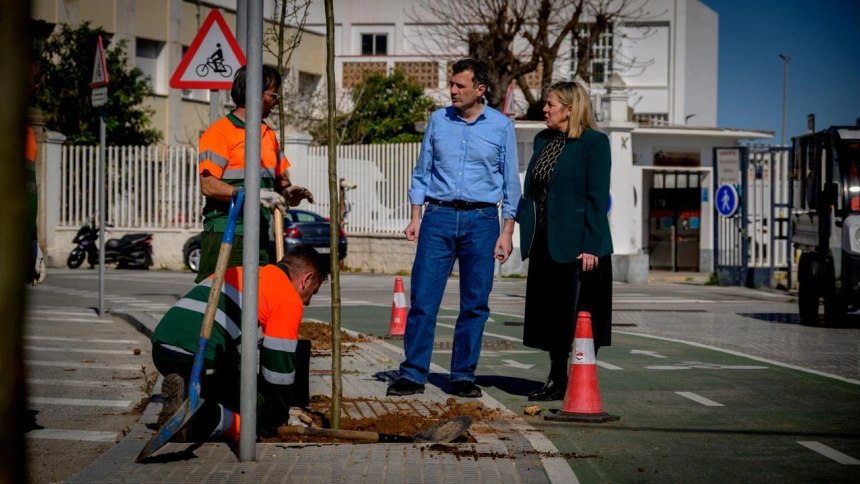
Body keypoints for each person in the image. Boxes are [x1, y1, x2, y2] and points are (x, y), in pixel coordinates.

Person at [386, 58, 522, 399]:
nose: (452, 91)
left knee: (475, 303)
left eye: (460, 85)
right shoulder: (438, 121)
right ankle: (413, 373)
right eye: (451, 84)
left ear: (481, 89)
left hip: (483, 221)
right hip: (438, 217)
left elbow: (510, 182)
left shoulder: (501, 126)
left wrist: (507, 231)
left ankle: (462, 375)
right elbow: (422, 172)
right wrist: (416, 216)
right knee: (423, 300)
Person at [150, 245, 329, 440]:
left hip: (162, 350)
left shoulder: (241, 272)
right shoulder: (287, 297)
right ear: (307, 279)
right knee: (260, 417)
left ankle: (185, 399)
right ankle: (195, 422)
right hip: (202, 358)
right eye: (314, 292)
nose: (308, 302)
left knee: (233, 384)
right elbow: (277, 370)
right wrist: (278, 416)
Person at [518, 81, 613, 401]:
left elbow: (596, 198)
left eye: (551, 104)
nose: (544, 109)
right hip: (545, 241)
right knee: (550, 316)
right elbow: (531, 192)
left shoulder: (595, 143)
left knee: (581, 315)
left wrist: (591, 244)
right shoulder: (543, 140)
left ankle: (581, 378)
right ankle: (557, 377)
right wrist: (510, 229)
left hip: (580, 246)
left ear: (570, 109)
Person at [196, 64, 313, 283]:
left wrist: (289, 193)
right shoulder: (220, 133)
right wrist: (252, 195)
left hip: (259, 234)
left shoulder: (268, 135)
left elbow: (280, 182)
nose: (276, 101)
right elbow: (209, 186)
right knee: (219, 296)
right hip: (227, 232)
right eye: (273, 94)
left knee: (255, 298)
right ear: (253, 94)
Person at [25, 50, 45, 286]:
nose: (37, 85)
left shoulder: (27, 133)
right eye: (34, 77)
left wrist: (33, 243)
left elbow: (30, 194)